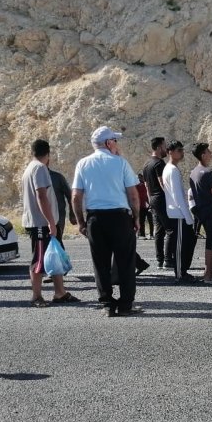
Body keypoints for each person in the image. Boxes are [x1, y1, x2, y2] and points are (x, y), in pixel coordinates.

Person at [72, 126, 141, 316]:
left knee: (100, 263)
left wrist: (81, 222)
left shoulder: (83, 164)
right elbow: (133, 195)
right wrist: (136, 218)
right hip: (119, 217)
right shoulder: (121, 163)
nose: (117, 144)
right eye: (115, 141)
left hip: (96, 217)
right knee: (125, 262)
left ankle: (107, 304)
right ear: (109, 143)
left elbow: (76, 196)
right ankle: (126, 304)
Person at [20, 139, 78, 308]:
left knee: (54, 256)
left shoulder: (30, 168)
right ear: (48, 154)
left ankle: (60, 292)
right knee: (39, 259)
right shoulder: (39, 168)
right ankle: (36, 296)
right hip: (40, 223)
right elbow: (41, 196)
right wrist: (51, 222)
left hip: (40, 222)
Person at [162, 140, 197, 284]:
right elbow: (177, 196)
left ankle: (183, 271)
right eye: (178, 150)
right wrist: (188, 216)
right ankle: (180, 274)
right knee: (180, 246)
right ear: (170, 152)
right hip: (178, 214)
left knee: (188, 242)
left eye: (182, 150)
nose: (181, 153)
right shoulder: (172, 170)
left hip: (179, 213)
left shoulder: (171, 169)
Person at [189, 143, 212, 284]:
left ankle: (207, 273)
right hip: (211, 211)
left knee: (208, 243)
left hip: (200, 212)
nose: (211, 153)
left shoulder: (193, 172)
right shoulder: (208, 173)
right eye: (208, 151)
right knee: (211, 244)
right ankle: (208, 275)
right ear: (203, 155)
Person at [141, 137, 170, 268]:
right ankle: (168, 260)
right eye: (164, 146)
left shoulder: (146, 165)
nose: (166, 149)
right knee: (170, 230)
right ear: (159, 147)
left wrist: (150, 202)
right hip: (161, 198)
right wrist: (172, 198)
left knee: (159, 231)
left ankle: (159, 260)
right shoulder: (160, 163)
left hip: (152, 199)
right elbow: (162, 183)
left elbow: (147, 186)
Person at [48, 160, 75, 245]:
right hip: (41, 220)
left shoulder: (57, 177)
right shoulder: (34, 177)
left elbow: (70, 196)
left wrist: (72, 214)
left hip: (58, 219)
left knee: (57, 244)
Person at [135, 175, 151, 240]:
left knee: (142, 221)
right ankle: (138, 234)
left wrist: (149, 203)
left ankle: (142, 234)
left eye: (141, 178)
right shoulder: (135, 186)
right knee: (138, 220)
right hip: (137, 206)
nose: (140, 179)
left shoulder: (145, 186)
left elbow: (146, 196)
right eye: (139, 178)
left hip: (143, 206)